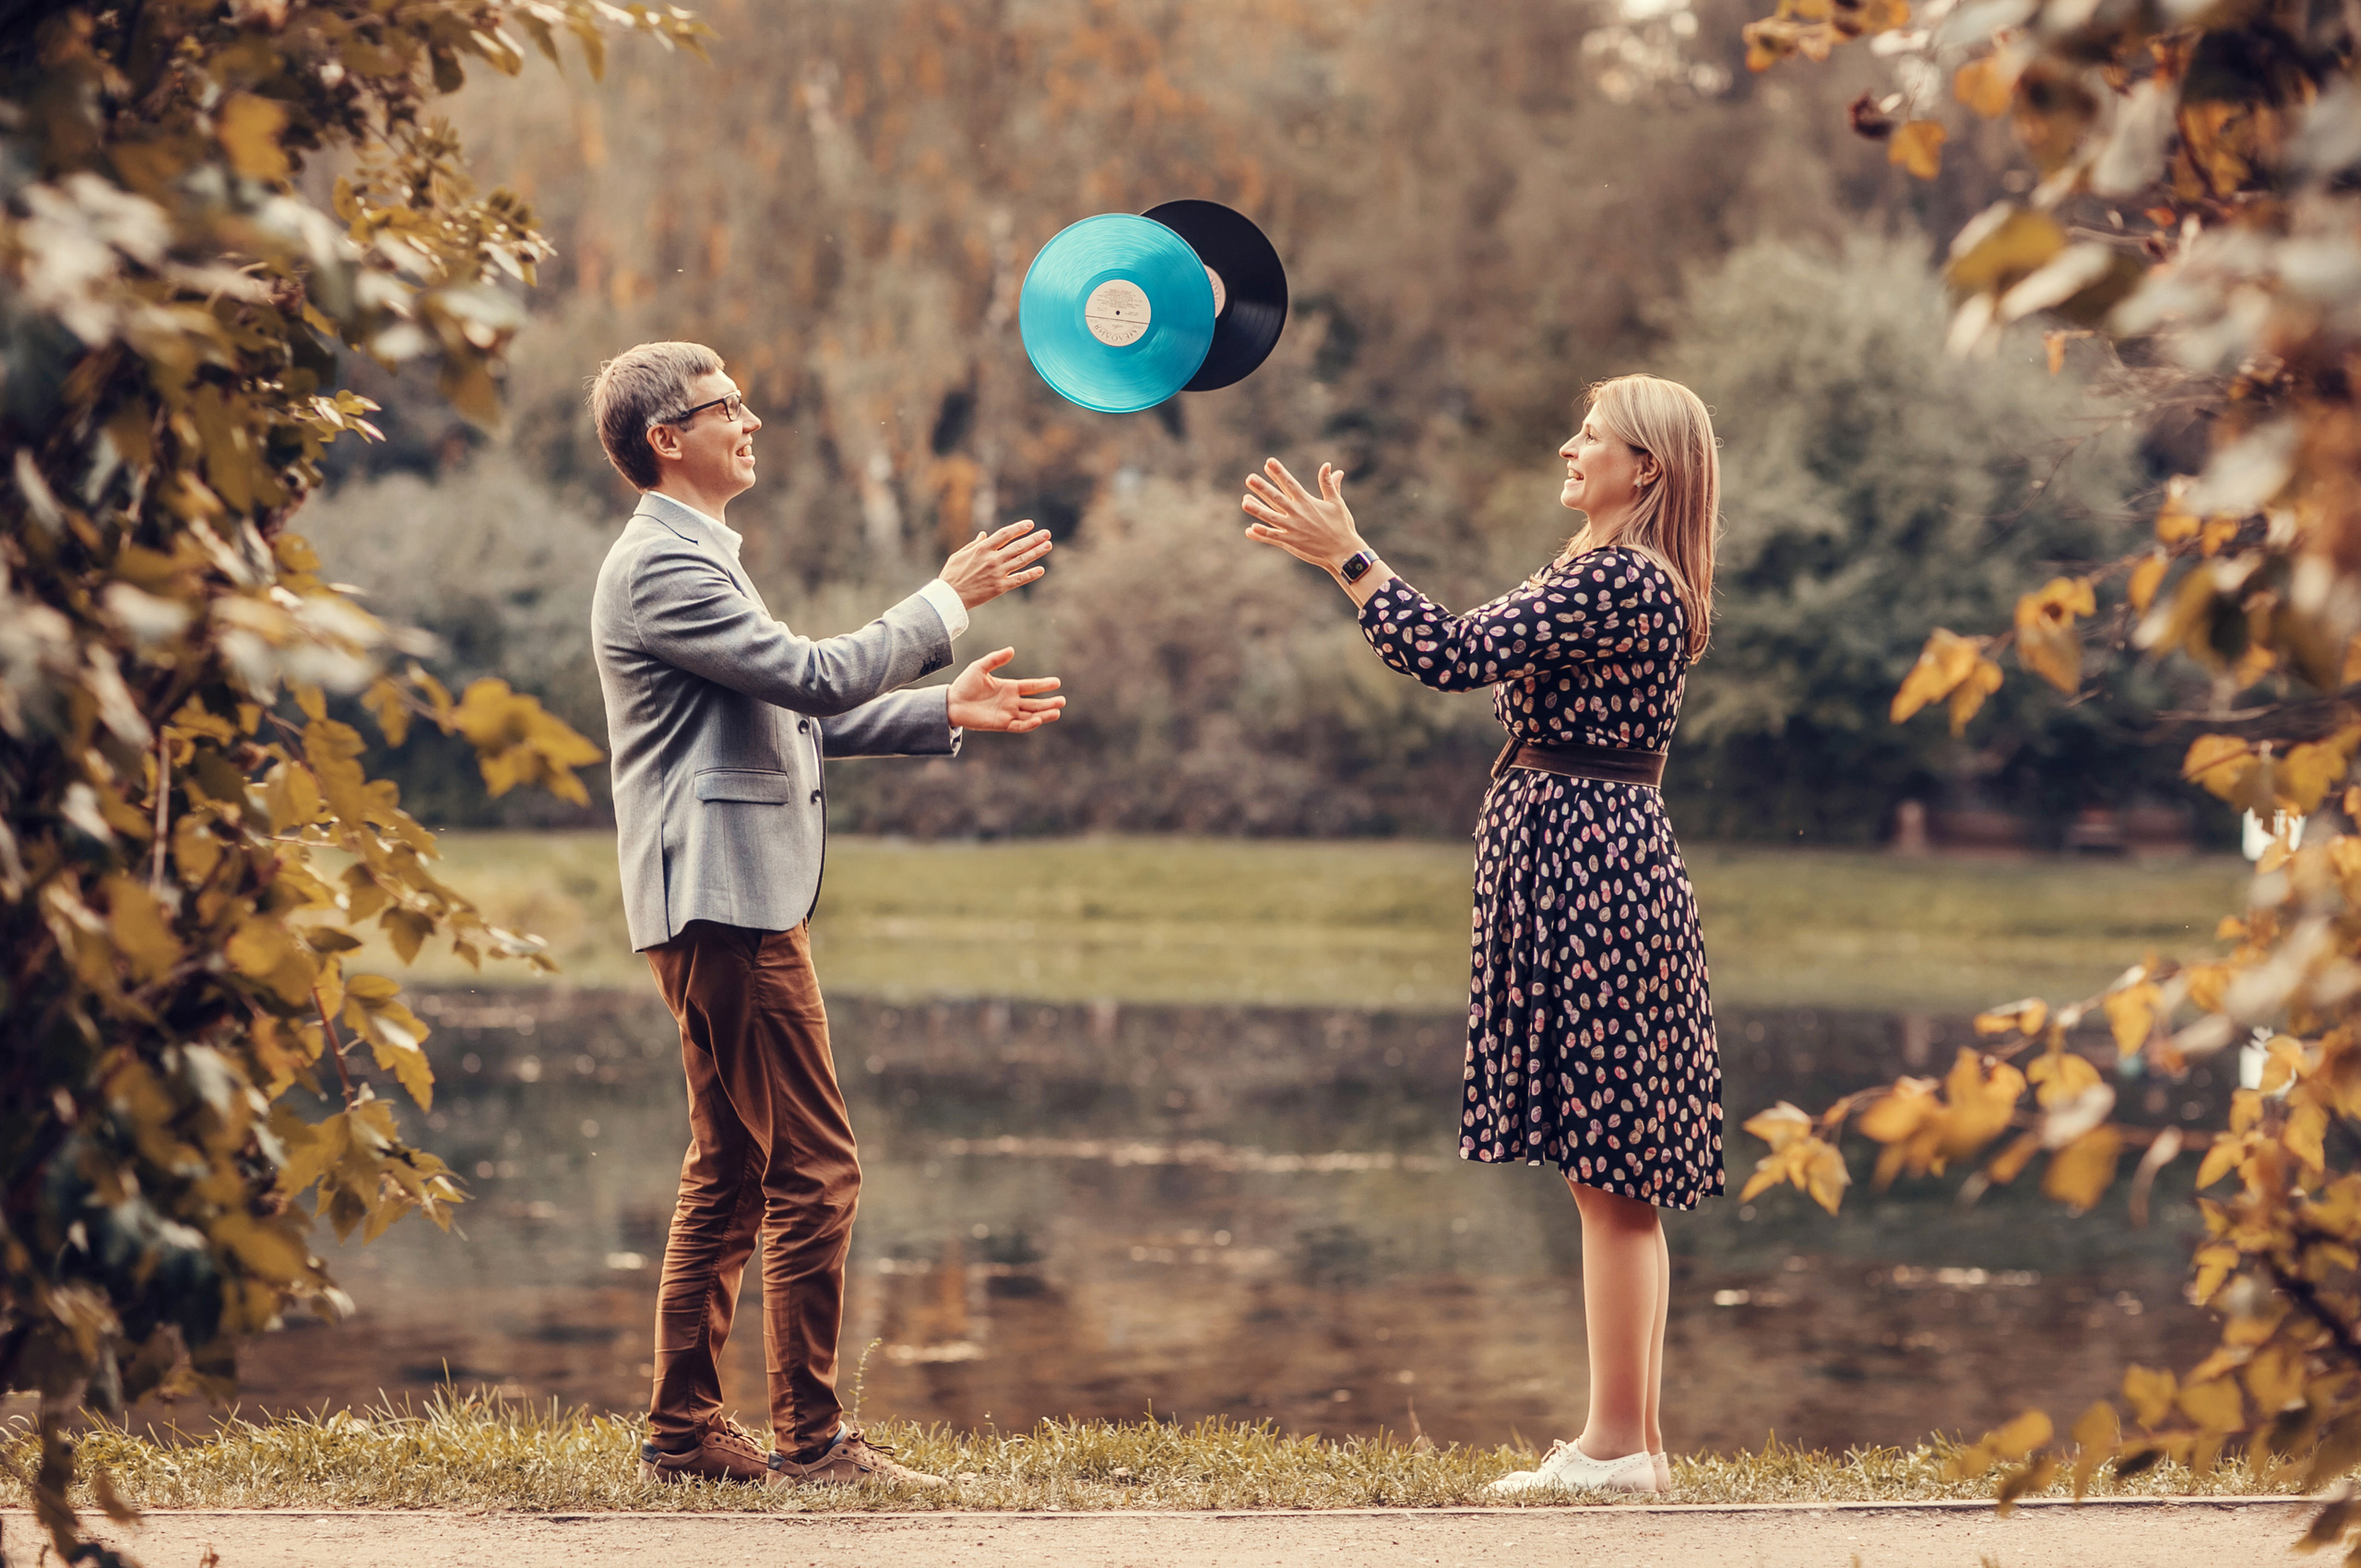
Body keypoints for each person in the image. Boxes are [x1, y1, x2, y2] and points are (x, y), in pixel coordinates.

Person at [587, 341, 1064, 1491]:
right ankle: (812, 1438)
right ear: (667, 437)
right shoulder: (663, 565)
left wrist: (936, 707)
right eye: (725, 407)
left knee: (736, 1163)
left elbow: (784, 711)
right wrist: (949, 598)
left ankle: (683, 1429)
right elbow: (806, 675)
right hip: (728, 902)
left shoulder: (696, 557)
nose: (750, 419)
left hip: (722, 899)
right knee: (814, 1165)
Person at [1239, 374, 1722, 1496]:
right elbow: (1472, 646)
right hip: (1587, 862)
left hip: (1591, 873)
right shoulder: (1605, 572)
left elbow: (1448, 653)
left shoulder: (1617, 578)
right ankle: (1629, 1442)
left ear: (1642, 466)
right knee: (1611, 1172)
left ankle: (1616, 1444)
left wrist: (1347, 558)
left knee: (1608, 1167)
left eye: (1589, 435)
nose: (1568, 444)